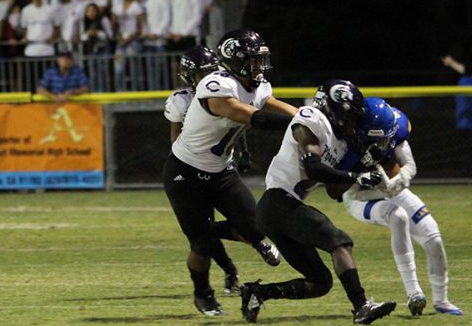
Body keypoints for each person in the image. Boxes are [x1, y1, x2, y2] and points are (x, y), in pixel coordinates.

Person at [239, 80, 395, 324]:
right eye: (350, 116)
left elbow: (334, 190)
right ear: (334, 109)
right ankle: (362, 306)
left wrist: (362, 166)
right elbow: (313, 168)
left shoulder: (341, 144)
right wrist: (356, 176)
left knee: (320, 283)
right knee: (340, 242)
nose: (353, 124)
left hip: (279, 210)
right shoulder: (311, 118)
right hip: (278, 202)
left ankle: (257, 292)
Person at [162, 29, 295, 317]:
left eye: (261, 60)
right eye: (253, 60)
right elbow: (247, 115)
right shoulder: (215, 85)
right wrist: (295, 126)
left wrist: (309, 118)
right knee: (202, 246)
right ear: (234, 60)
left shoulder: (256, 86)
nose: (260, 66)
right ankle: (203, 294)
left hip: (221, 171)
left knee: (257, 226)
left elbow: (277, 106)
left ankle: (213, 231)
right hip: (186, 172)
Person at [342, 100, 463, 317]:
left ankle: (442, 300)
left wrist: (401, 179)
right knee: (397, 217)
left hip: (393, 190)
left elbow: (409, 164)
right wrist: (368, 178)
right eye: (379, 138)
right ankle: (414, 292)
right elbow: (338, 184)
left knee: (433, 237)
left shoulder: (394, 128)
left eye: (388, 136)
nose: (385, 142)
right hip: (359, 196)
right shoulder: (347, 143)